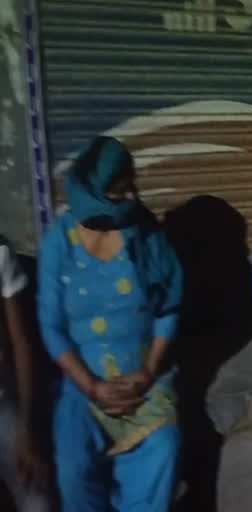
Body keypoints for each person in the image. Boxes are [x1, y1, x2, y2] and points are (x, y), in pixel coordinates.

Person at [37, 136, 183, 512]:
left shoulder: (146, 234)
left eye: (132, 187)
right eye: (119, 193)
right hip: (82, 387)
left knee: (163, 447)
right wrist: (93, 386)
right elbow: (51, 326)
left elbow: (168, 307)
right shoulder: (61, 239)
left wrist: (148, 371)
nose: (132, 198)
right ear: (93, 191)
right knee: (72, 468)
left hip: (145, 383)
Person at [0, 237, 51, 512]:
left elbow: (21, 343)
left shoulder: (1, 254)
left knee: (37, 501)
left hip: (2, 406)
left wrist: (26, 428)